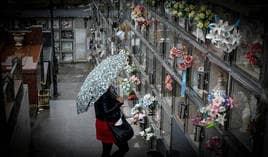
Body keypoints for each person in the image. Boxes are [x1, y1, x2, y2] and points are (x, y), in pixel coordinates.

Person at [94, 85, 129, 157]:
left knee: (106, 150)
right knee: (124, 148)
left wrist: (116, 98)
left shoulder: (101, 90)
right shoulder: (104, 94)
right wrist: (119, 103)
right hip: (108, 126)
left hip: (103, 123)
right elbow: (106, 111)